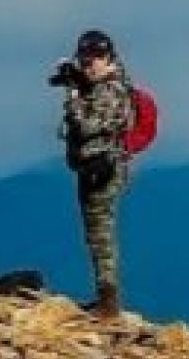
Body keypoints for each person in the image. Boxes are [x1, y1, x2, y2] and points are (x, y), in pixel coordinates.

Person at [52, 28, 135, 316]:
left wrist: (73, 95)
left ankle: (108, 301)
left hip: (103, 169)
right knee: (96, 232)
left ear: (109, 58)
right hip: (93, 168)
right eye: (86, 59)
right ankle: (105, 297)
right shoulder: (105, 86)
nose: (90, 64)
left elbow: (87, 126)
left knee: (100, 233)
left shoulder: (110, 90)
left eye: (96, 58)